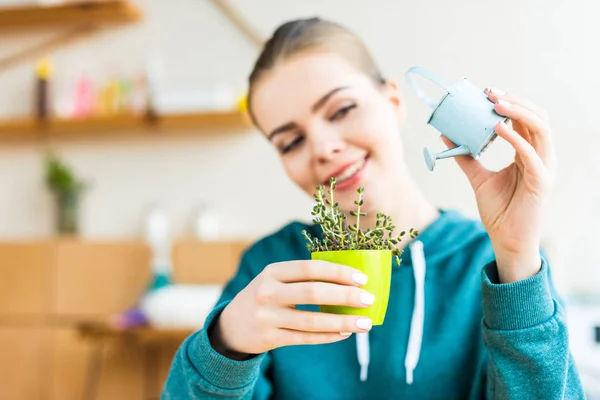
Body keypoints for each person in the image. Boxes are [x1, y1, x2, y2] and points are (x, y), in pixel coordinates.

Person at [162, 17, 584, 399]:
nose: (324, 147)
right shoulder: (269, 270)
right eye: (290, 142)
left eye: (342, 109)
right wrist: (224, 346)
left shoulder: (493, 263)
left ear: (394, 101)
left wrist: (516, 259)